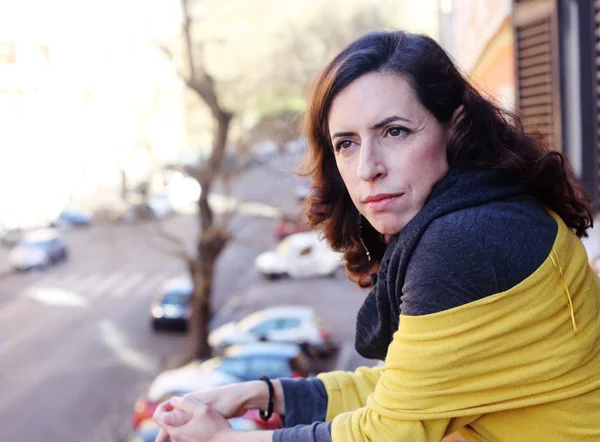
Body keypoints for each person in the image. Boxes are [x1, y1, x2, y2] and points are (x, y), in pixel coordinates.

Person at [153, 30, 600, 442]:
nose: (368, 168)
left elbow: (386, 433)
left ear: (456, 126)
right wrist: (264, 394)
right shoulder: (496, 208)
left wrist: (223, 438)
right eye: (346, 143)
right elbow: (407, 388)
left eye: (394, 131)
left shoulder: (465, 242)